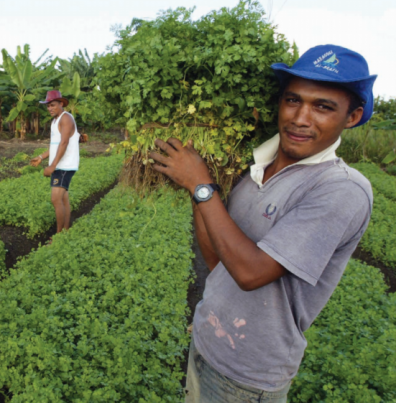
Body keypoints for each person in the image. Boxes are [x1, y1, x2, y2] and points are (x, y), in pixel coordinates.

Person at [150, 45, 376, 402]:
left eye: (323, 107)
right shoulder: (255, 169)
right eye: (293, 100)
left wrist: (201, 185)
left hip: (247, 376)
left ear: (352, 116)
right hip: (205, 344)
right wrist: (200, 193)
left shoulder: (341, 190)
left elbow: (249, 273)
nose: (300, 118)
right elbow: (218, 265)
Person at [30, 90, 80, 234]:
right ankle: (65, 230)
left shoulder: (66, 119)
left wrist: (52, 166)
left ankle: (59, 235)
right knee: (63, 200)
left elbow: (64, 143)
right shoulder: (55, 121)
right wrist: (41, 157)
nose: (50, 108)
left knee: (55, 199)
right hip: (60, 165)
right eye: (48, 106)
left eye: (52, 105)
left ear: (61, 104)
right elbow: (56, 145)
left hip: (64, 166)